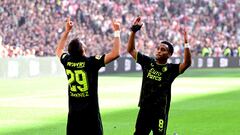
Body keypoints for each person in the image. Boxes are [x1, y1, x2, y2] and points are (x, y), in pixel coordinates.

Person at [55, 17, 121, 135]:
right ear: (83, 50)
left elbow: (59, 49)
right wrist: (117, 31)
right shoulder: (90, 62)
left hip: (74, 116)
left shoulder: (67, 61)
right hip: (90, 116)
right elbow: (116, 54)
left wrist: (67, 31)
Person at [127, 17, 192, 135]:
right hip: (144, 109)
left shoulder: (171, 69)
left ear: (170, 54)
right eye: (158, 48)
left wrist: (186, 44)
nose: (159, 51)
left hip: (160, 112)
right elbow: (131, 50)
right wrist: (133, 31)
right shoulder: (148, 62)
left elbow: (187, 63)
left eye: (163, 50)